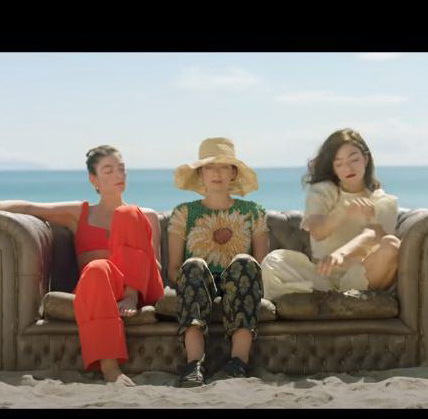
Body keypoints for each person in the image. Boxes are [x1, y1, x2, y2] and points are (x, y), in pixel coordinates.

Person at [0, 145, 164, 386]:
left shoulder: (145, 215)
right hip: (98, 289)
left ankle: (130, 294)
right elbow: (28, 207)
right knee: (97, 267)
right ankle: (110, 367)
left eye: (121, 169)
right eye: (108, 170)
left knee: (128, 213)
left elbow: (155, 267)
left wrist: (132, 277)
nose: (118, 175)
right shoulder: (79, 213)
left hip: (140, 289)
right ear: (93, 179)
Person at [167, 137, 269, 387]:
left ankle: (238, 363)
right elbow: (173, 269)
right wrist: (191, 280)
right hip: (198, 281)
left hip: (241, 280)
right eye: (210, 167)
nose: (217, 173)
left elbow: (261, 266)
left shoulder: (254, 211)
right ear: (200, 174)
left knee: (244, 262)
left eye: (224, 167)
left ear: (233, 173)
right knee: (192, 265)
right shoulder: (184, 212)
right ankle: (194, 365)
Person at [261, 128, 400, 301]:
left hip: (359, 276)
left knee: (392, 244)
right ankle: (329, 297)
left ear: (365, 159)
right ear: (333, 168)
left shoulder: (382, 199)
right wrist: (343, 212)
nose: (348, 168)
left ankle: (334, 299)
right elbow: (318, 231)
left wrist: (341, 254)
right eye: (339, 163)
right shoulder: (323, 191)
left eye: (354, 159)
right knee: (274, 261)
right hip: (322, 276)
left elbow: (373, 234)